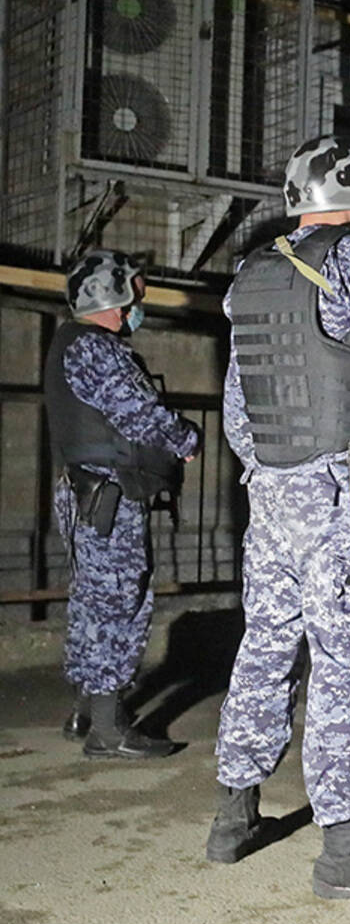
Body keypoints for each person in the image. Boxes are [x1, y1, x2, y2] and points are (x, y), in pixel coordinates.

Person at [207, 135, 350, 903]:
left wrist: (271, 470)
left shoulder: (253, 273)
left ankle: (233, 814)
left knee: (265, 644)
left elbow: (234, 413)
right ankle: (344, 847)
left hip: (271, 490)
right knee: (343, 659)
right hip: (338, 491)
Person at [43, 248, 200, 759]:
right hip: (108, 496)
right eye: (134, 290)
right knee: (118, 602)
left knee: (92, 599)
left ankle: (87, 709)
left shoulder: (71, 342)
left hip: (87, 493)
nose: (139, 301)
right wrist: (186, 438)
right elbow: (141, 415)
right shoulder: (96, 348)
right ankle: (108, 731)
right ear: (111, 294)